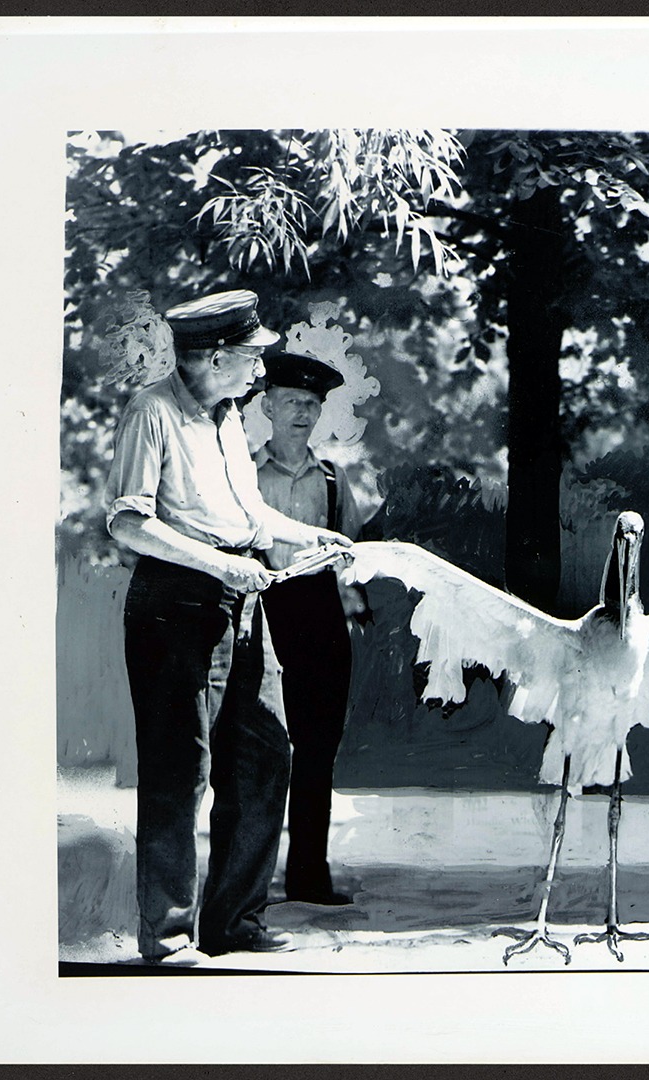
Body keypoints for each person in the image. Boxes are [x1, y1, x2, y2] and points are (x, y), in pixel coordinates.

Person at [104, 289, 352, 963]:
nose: (259, 371)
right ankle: (168, 937)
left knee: (268, 758)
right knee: (178, 772)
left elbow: (251, 519)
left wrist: (314, 537)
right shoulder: (151, 412)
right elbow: (128, 520)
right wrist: (218, 564)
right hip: (175, 603)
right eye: (251, 359)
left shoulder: (226, 418)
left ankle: (235, 924)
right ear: (216, 357)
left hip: (241, 600)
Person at [252, 351, 361, 905]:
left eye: (313, 404)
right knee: (259, 750)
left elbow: (352, 555)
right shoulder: (244, 473)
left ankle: (308, 877)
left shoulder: (333, 478)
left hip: (320, 619)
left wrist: (352, 601)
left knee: (318, 750)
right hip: (263, 613)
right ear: (267, 406)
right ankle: (247, 880)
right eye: (293, 401)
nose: (303, 413)